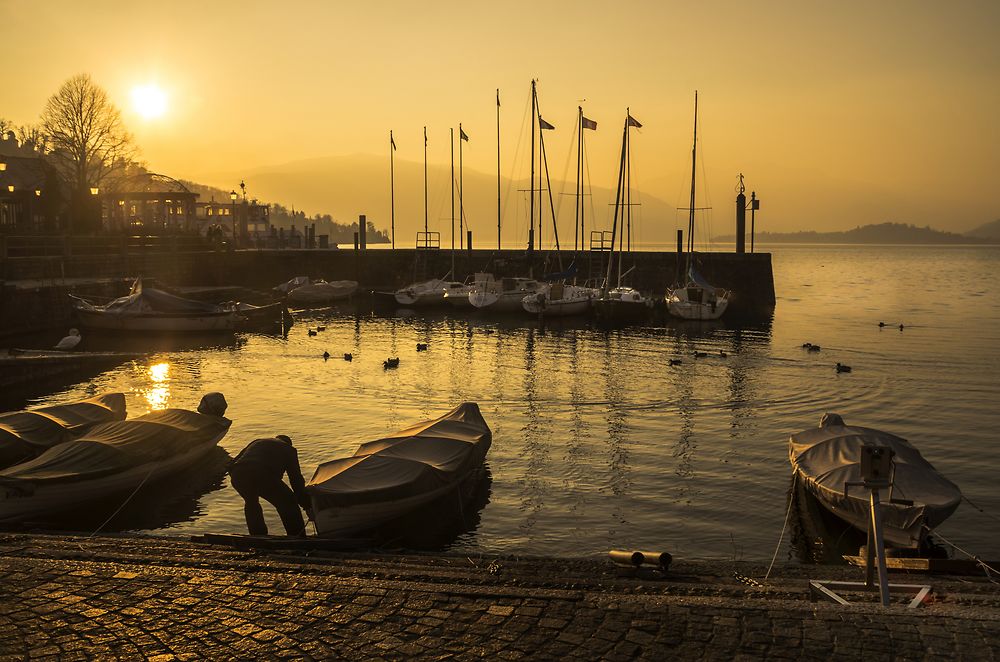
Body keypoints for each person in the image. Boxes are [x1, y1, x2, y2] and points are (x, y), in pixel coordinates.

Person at [229, 434, 313, 537]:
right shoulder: (289, 449)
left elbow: (232, 463)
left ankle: (258, 536)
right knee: (289, 502)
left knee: (251, 502)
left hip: (238, 474)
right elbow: (296, 480)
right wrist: (307, 505)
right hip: (261, 473)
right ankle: (297, 536)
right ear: (288, 443)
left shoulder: (257, 441)